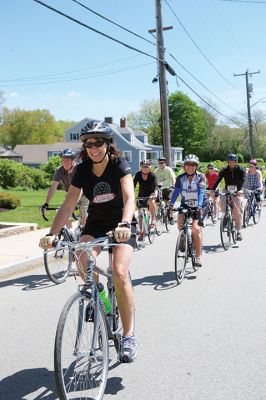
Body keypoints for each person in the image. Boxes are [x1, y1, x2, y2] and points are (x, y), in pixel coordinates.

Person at [39, 121, 137, 363]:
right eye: (87, 143)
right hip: (96, 223)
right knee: (81, 258)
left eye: (98, 143)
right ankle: (99, 296)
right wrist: (52, 233)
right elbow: (69, 203)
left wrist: (125, 224)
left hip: (120, 224)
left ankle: (129, 337)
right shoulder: (82, 169)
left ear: (107, 144)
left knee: (119, 272)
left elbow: (129, 196)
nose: (92, 148)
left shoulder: (118, 163)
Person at [170, 154, 206, 267]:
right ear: (184, 166)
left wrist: (199, 206)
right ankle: (184, 237)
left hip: (199, 205)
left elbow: (201, 192)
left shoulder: (201, 177)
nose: (190, 167)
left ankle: (199, 256)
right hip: (185, 204)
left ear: (196, 166)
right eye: (188, 165)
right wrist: (170, 204)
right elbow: (176, 192)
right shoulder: (180, 178)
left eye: (193, 165)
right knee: (180, 223)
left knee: (195, 229)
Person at [41, 148, 88, 227]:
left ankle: (83, 229)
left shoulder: (79, 169)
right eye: (63, 160)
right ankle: (70, 235)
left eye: (67, 160)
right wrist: (46, 203)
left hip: (84, 194)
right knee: (63, 214)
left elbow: (81, 188)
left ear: (73, 161)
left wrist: (75, 202)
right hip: (70, 194)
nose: (65, 163)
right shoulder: (59, 170)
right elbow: (53, 187)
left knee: (84, 216)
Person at [212, 154, 246, 241]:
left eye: (233, 162)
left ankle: (238, 232)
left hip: (238, 190)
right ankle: (226, 216)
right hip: (227, 189)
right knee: (221, 200)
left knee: (238, 209)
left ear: (236, 162)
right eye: (230, 162)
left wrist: (241, 190)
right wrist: (213, 189)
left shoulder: (241, 170)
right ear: (228, 162)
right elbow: (218, 179)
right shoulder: (224, 170)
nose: (231, 164)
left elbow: (243, 181)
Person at [133, 159, 158, 235]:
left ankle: (153, 218)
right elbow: (133, 185)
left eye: (147, 166)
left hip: (151, 193)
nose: (145, 168)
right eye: (143, 166)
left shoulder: (152, 175)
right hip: (142, 194)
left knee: (151, 201)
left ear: (150, 167)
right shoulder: (138, 174)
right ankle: (141, 231)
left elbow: (156, 187)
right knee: (140, 213)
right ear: (141, 167)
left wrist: (155, 194)